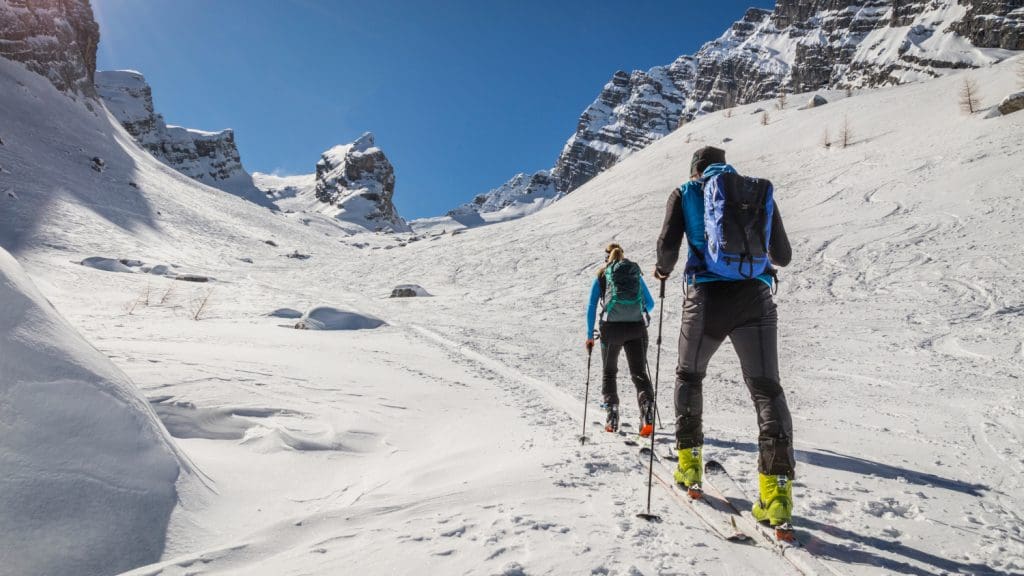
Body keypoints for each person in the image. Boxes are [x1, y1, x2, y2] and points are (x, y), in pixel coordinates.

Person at [654, 146, 796, 533]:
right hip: (756, 299)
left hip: (706, 300)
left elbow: (668, 248)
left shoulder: (686, 191)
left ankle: (689, 465)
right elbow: (782, 255)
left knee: (689, 375)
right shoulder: (754, 192)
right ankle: (777, 494)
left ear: (695, 169)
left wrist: (662, 271)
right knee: (767, 390)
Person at [585, 243, 657, 437]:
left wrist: (589, 336)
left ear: (606, 258)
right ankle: (647, 412)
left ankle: (612, 415)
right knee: (639, 372)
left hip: (611, 331)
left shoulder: (602, 275)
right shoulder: (633, 273)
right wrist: (635, 313)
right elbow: (650, 304)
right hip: (636, 329)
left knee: (609, 372)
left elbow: (591, 307)